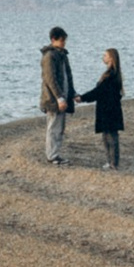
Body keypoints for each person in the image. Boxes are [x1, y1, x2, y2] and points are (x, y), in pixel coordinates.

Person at [79, 45, 125, 168]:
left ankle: (113, 163)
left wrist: (82, 98)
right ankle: (111, 161)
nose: (103, 57)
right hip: (109, 108)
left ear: (111, 58)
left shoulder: (111, 75)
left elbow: (98, 92)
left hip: (109, 109)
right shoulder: (113, 74)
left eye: (105, 55)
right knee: (107, 135)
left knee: (111, 136)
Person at [39, 26, 75, 165]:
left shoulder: (62, 54)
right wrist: (59, 98)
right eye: (61, 40)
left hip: (63, 96)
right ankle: (52, 155)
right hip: (53, 99)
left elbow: (67, 77)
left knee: (59, 127)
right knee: (54, 127)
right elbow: (50, 79)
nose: (64, 43)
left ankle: (55, 154)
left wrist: (71, 93)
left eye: (64, 40)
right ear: (53, 39)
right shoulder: (49, 56)